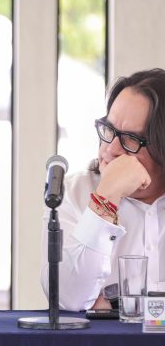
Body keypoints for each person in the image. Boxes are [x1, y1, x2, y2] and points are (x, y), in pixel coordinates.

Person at [41, 68, 165, 311]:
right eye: (109, 130)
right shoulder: (73, 192)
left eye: (131, 139)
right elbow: (67, 298)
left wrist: (112, 304)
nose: (111, 149)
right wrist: (106, 197)